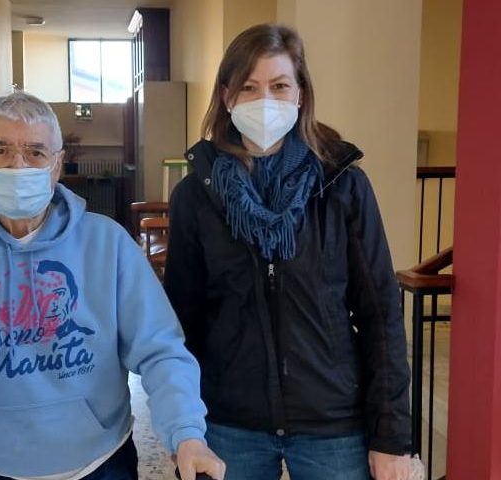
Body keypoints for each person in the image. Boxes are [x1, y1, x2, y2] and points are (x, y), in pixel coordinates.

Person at [0, 92, 225, 480]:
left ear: (56, 165)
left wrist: (186, 435)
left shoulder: (108, 246)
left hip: (101, 465)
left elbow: (160, 350)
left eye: (35, 152)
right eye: (0, 150)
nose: (18, 165)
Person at [164, 24, 412, 480]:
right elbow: (182, 325)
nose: (265, 100)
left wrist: (391, 437)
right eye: (249, 87)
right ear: (227, 97)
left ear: (301, 95)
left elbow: (380, 315)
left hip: (333, 422)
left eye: (279, 86)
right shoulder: (195, 196)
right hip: (228, 422)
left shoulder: (343, 187)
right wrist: (183, 429)